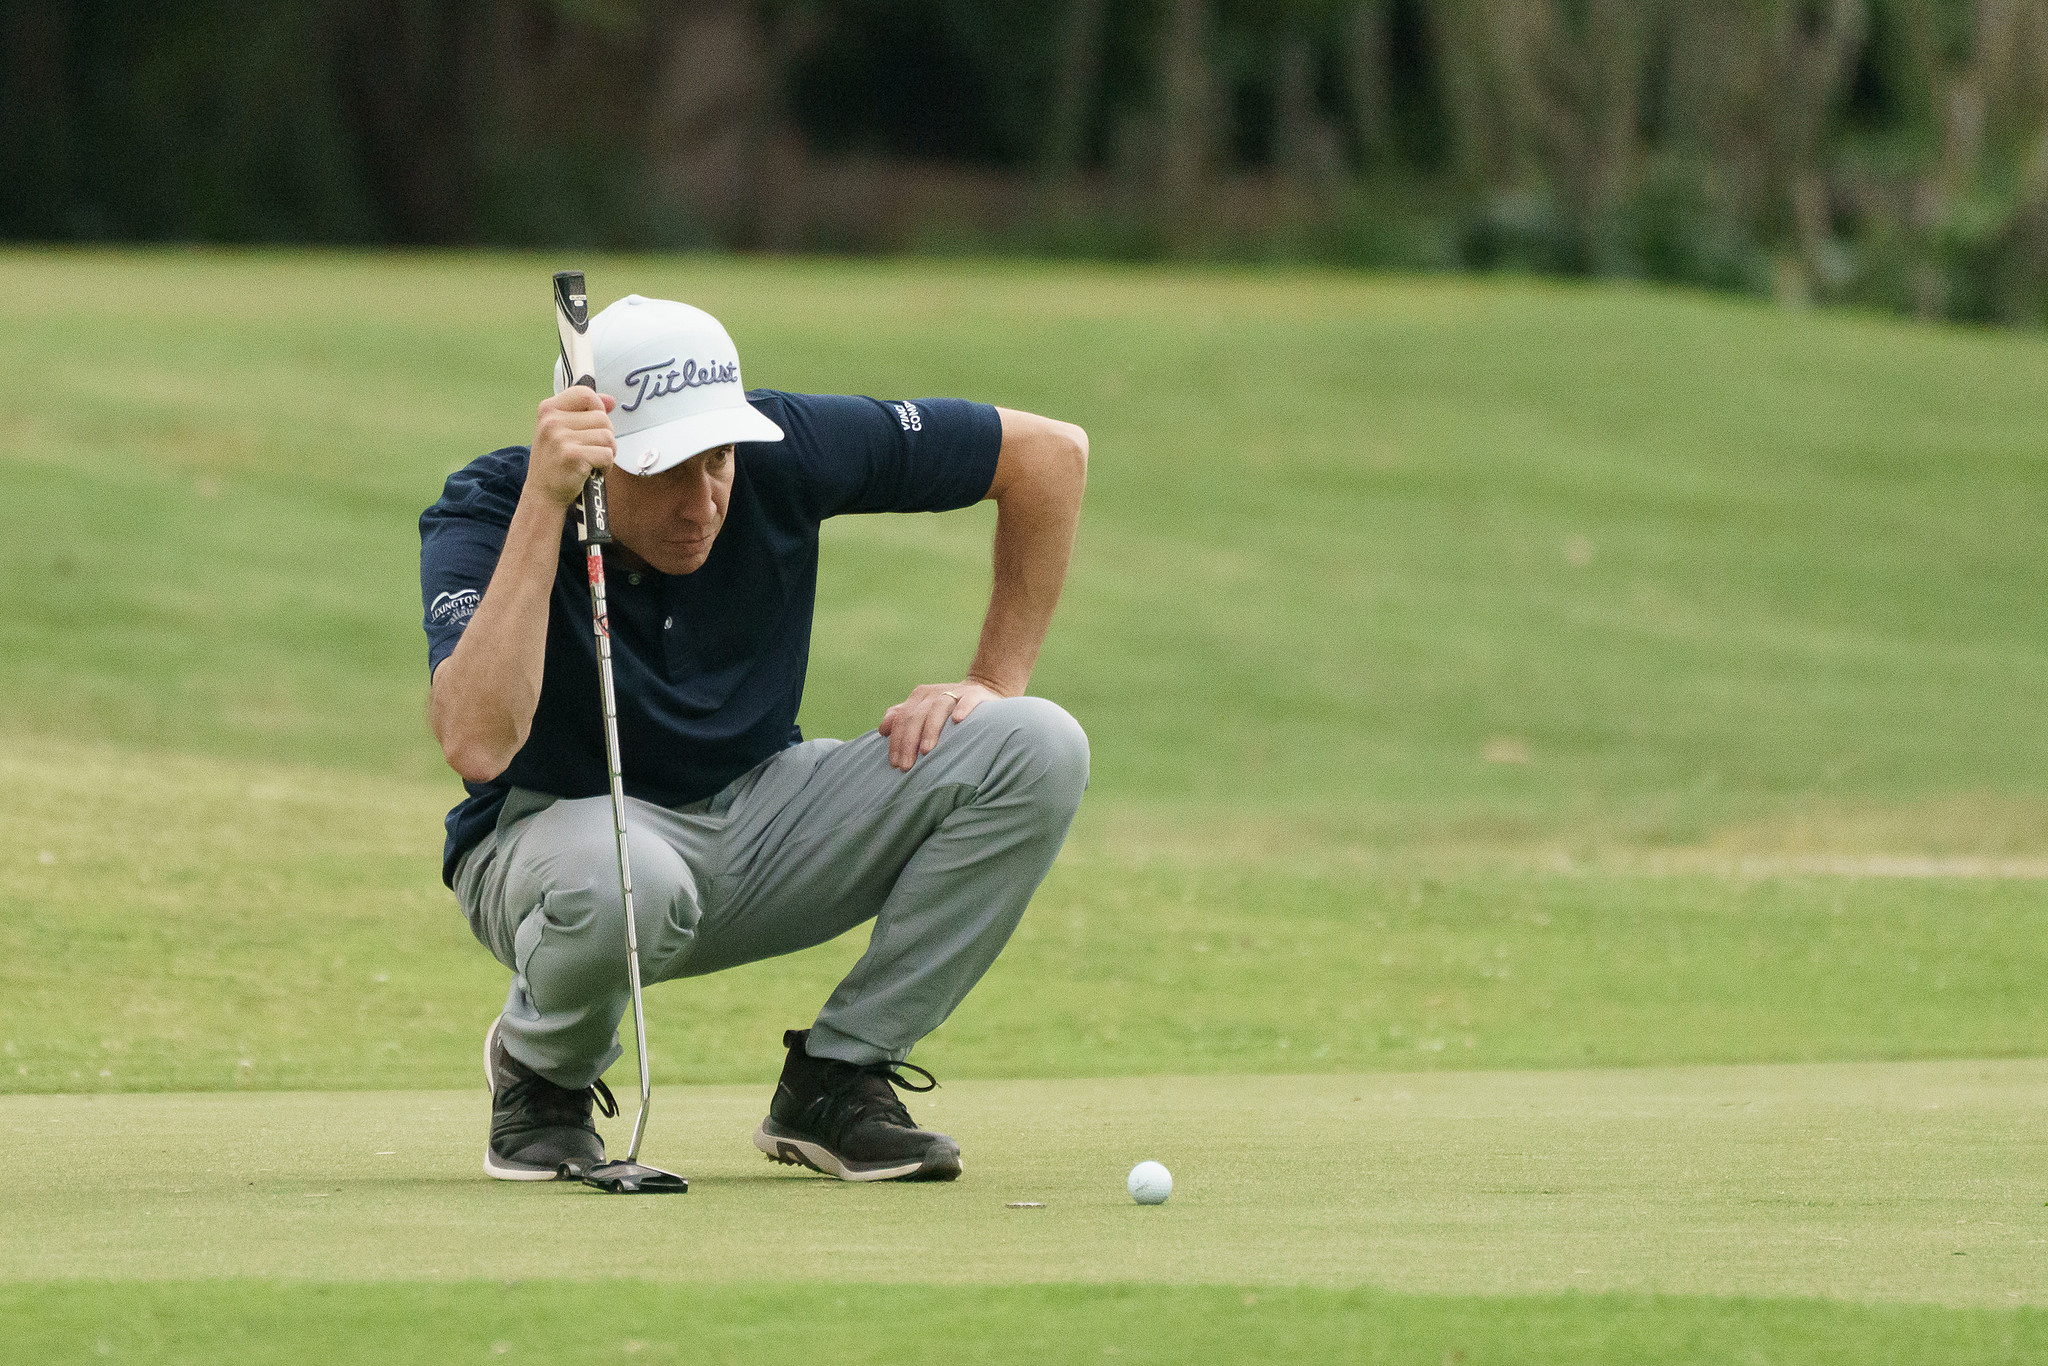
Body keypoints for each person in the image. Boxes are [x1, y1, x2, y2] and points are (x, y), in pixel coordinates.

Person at [418, 294, 1088, 1184]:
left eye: (719, 461)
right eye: (668, 471)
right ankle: (543, 1077)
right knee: (628, 876)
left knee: (1037, 744)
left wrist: (994, 678)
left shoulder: (786, 444)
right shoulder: (491, 507)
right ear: (596, 459)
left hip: (764, 818)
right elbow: (476, 745)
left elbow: (1050, 454)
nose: (703, 503)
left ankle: (839, 1077)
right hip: (556, 850)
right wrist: (547, 507)